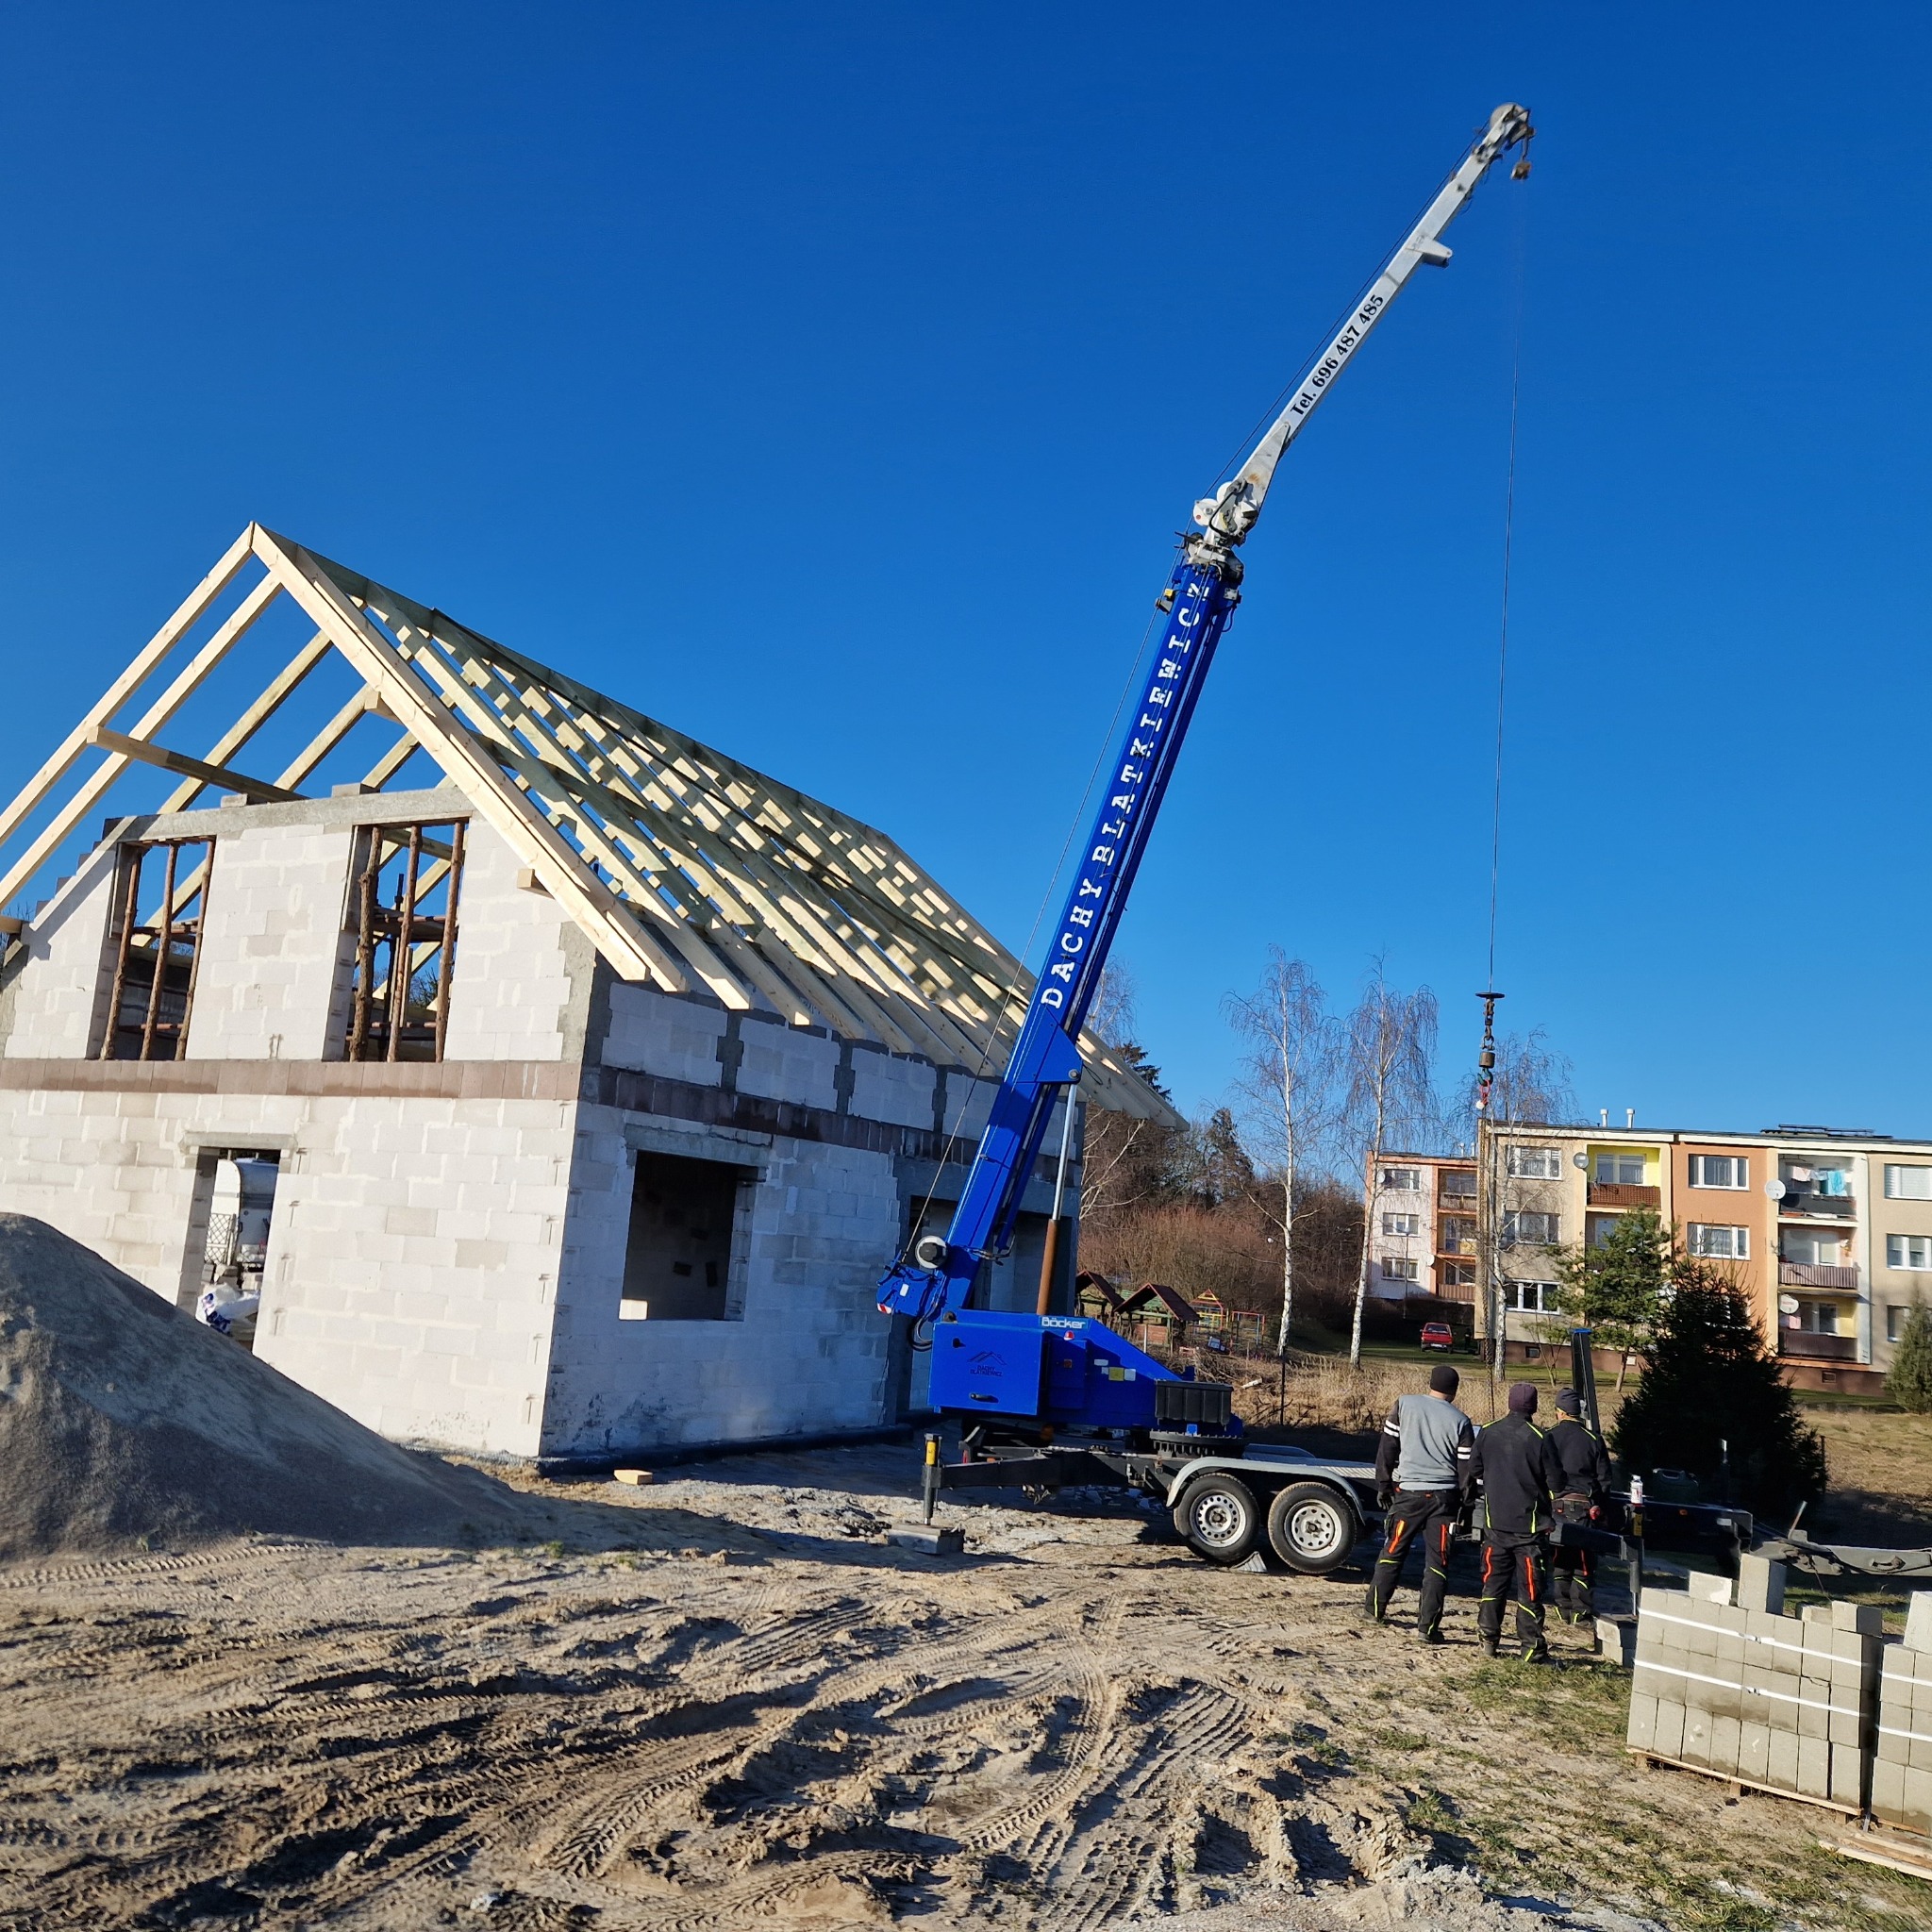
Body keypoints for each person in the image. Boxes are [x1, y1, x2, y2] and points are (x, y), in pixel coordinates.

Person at [1367, 1362, 1476, 1645]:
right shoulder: (1461, 1421)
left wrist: (1383, 1483)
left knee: (1392, 1551)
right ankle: (1427, 1629)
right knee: (1437, 1564)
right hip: (1444, 1501)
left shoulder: (1404, 1405)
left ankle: (1374, 1610)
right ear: (1454, 1390)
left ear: (1430, 1383)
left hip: (1409, 1496)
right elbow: (1466, 1471)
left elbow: (1387, 1448)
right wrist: (1467, 1503)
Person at [1470, 1381, 1560, 1661]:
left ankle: (1488, 1639)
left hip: (1495, 1526)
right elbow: (1556, 1481)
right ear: (1533, 1407)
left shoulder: (1487, 1432)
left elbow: (1475, 1469)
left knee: (1492, 1585)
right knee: (1530, 1590)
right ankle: (1531, 1647)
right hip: (1530, 1531)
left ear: (1509, 1403)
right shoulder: (1541, 1438)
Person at [1549, 1386, 1614, 1625]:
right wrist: (1599, 1504)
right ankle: (1581, 1611)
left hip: (1555, 1505)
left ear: (1560, 1412)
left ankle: (1562, 1606)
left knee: (1560, 1557)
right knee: (1584, 1561)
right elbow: (1605, 1479)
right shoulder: (1593, 1439)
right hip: (1585, 1507)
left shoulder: (1549, 1437)